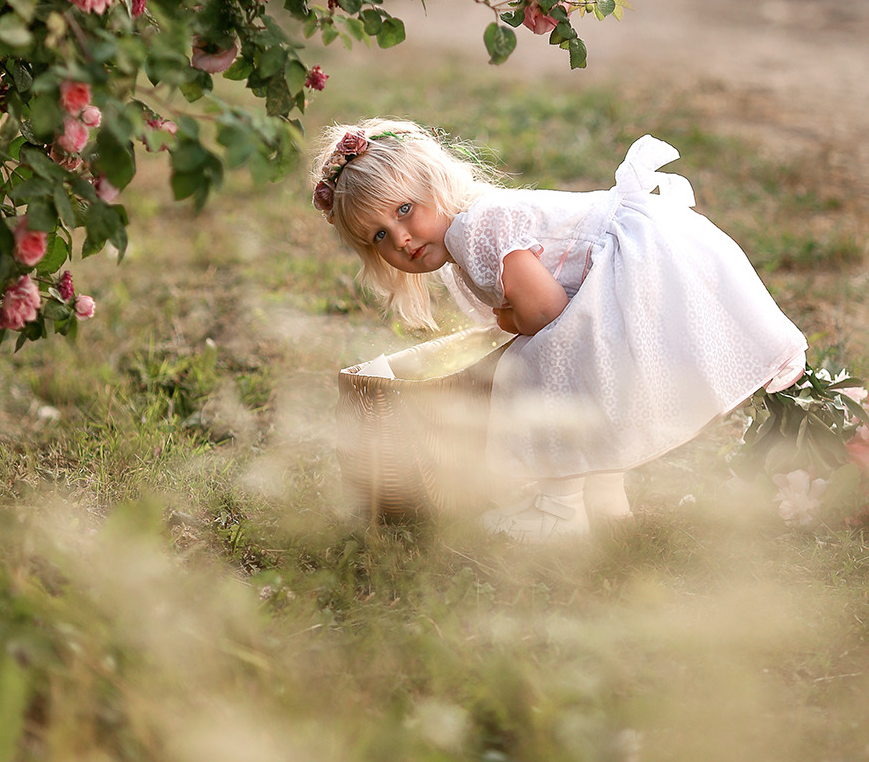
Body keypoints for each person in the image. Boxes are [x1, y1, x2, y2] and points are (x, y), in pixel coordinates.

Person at [312, 119, 808, 541]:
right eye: (380, 236)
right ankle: (606, 502)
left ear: (436, 186)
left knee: (534, 364)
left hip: (642, 269)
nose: (401, 237)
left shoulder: (477, 229)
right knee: (584, 373)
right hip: (637, 268)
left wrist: (508, 320)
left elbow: (546, 313)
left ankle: (559, 509)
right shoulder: (470, 229)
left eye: (404, 210)